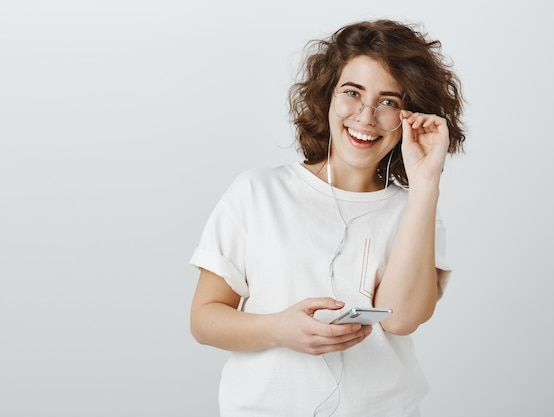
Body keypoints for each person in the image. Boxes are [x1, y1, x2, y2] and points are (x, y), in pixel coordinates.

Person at [189, 19, 465, 417]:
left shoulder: (416, 210)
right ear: (327, 96)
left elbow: (402, 320)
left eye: (389, 102)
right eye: (352, 93)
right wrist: (279, 329)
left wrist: (425, 184)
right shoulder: (257, 192)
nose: (366, 116)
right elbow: (204, 319)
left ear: (411, 117)